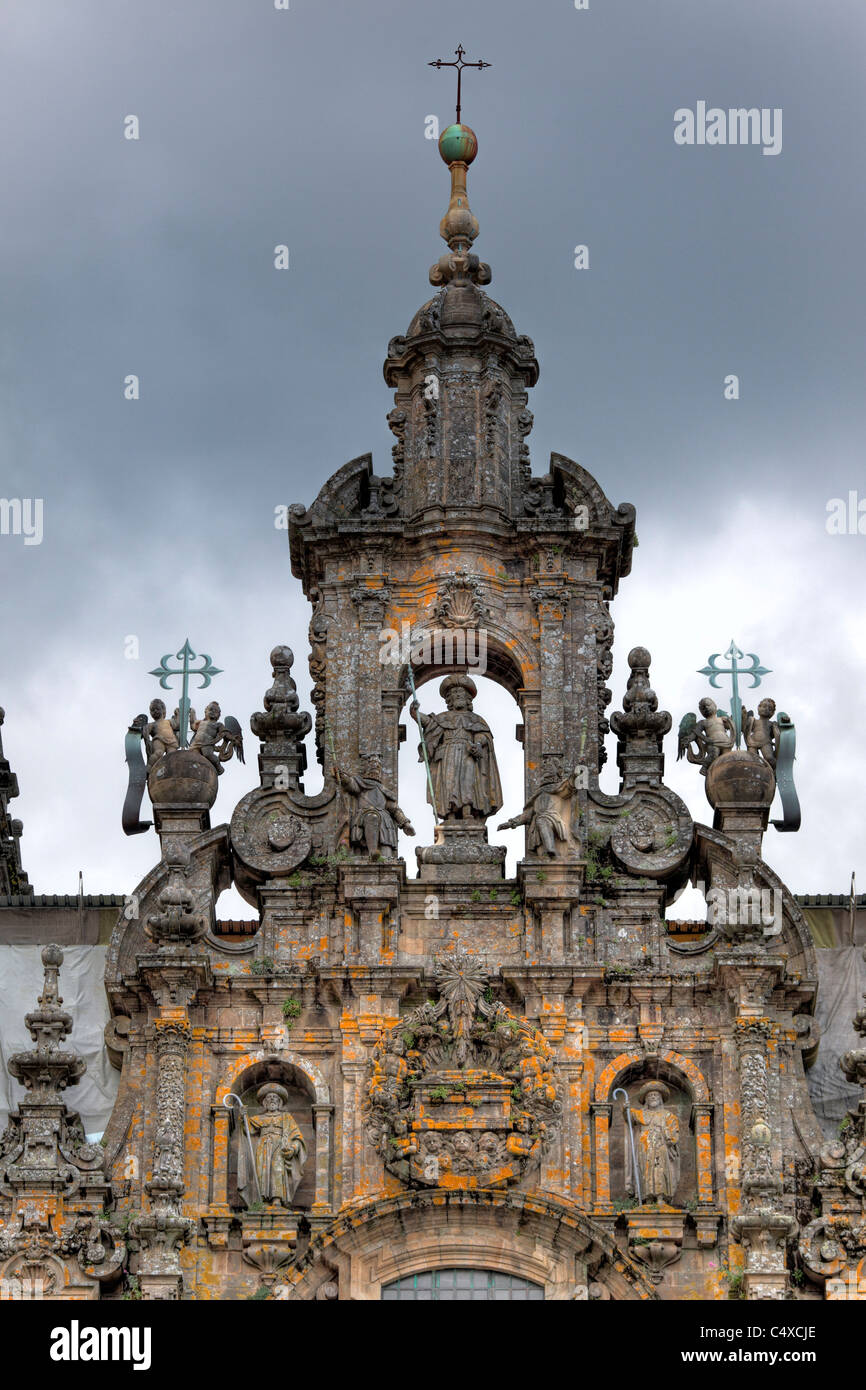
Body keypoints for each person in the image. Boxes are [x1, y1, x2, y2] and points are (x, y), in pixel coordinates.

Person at [409, 674, 502, 821]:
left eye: (460, 693)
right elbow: (428, 723)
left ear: (467, 699)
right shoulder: (443, 718)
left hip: (467, 752)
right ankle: (449, 814)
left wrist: (478, 745)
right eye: (453, 694)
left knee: (468, 781)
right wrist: (415, 714)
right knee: (448, 782)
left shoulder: (476, 719)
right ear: (449, 700)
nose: (457, 696)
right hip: (448, 753)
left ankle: (467, 810)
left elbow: (483, 735)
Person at [621, 1084, 680, 1203]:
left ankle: (660, 1197)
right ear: (646, 1100)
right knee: (644, 1170)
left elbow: (674, 1133)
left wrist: (670, 1139)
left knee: (660, 1171)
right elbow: (629, 1117)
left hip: (660, 1146)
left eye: (655, 1095)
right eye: (650, 1095)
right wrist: (625, 1109)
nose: (653, 1097)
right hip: (644, 1147)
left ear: (660, 1099)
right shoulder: (641, 1114)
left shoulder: (668, 1116)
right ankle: (647, 1198)